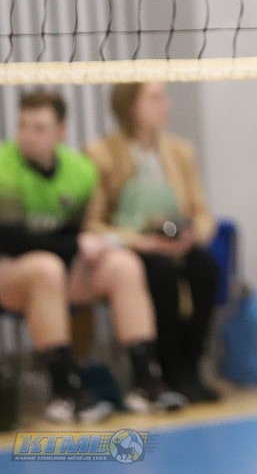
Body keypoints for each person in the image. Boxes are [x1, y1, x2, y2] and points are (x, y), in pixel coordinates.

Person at [0, 90, 186, 422]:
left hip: (57, 269)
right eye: (22, 126)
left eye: (39, 128)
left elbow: (79, 231)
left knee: (123, 266)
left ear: (61, 132)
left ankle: (146, 380)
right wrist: (76, 245)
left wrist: (91, 244)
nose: (28, 135)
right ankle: (64, 391)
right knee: (46, 268)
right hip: (10, 269)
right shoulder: (4, 168)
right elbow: (12, 240)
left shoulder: (81, 171)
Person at [85, 82, 221, 404]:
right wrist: (140, 242)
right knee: (160, 274)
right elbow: (93, 222)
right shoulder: (101, 153)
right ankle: (167, 371)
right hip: (135, 248)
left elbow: (202, 212)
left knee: (206, 267)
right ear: (132, 106)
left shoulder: (181, 152)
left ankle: (191, 368)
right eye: (156, 98)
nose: (166, 105)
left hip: (176, 244)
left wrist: (191, 236)